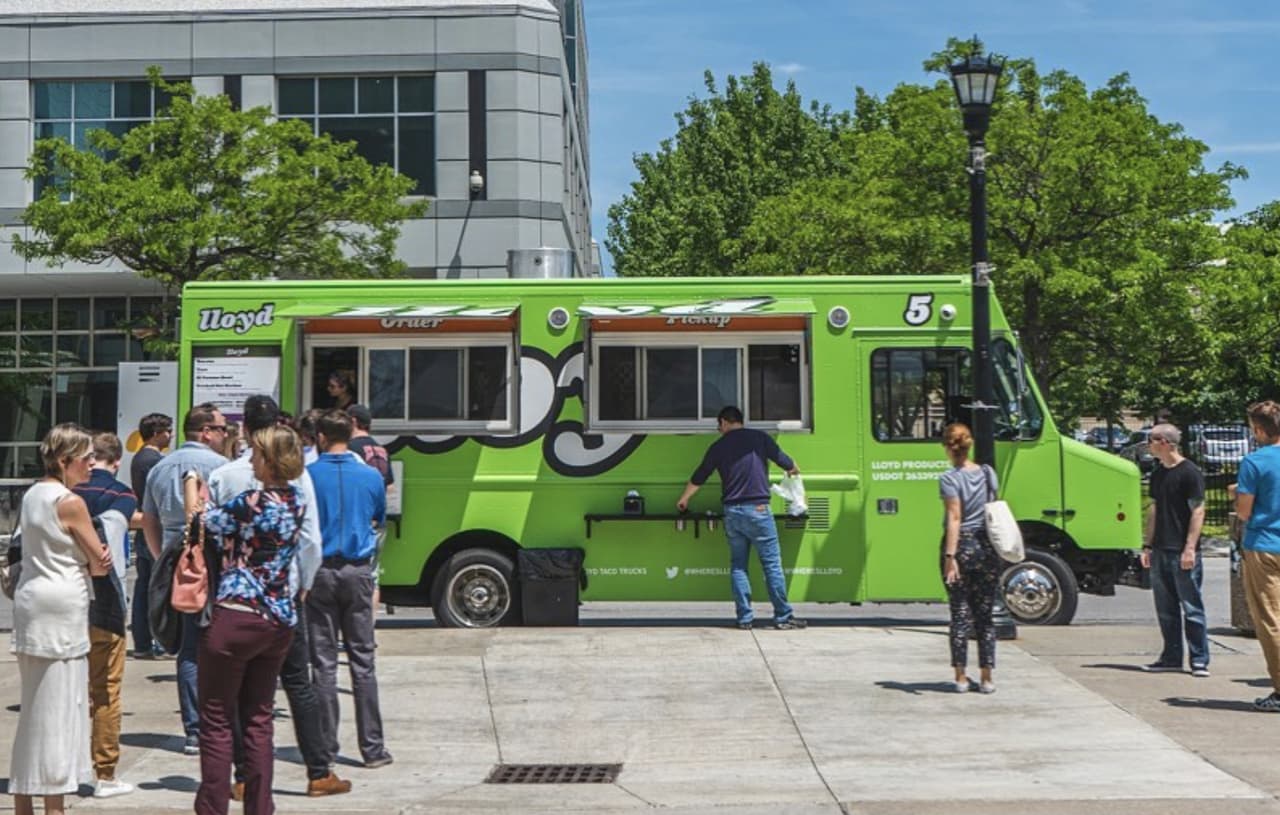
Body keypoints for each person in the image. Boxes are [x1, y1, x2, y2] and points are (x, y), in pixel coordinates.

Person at [207, 395, 350, 798]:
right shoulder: (297, 479)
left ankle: (241, 776)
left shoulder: (224, 476)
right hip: (283, 598)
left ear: (246, 430)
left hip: (235, 599)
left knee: (236, 696)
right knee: (296, 685)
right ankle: (318, 770)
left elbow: (212, 531)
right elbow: (310, 540)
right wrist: (302, 584)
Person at [193, 425, 308, 815]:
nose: (250, 459)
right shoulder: (297, 501)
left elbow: (204, 523)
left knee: (217, 720)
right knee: (259, 718)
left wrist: (196, 494)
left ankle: (212, 806)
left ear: (270, 460)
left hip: (237, 615)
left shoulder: (252, 502)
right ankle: (260, 806)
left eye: (256, 454)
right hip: (278, 617)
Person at [9, 424, 112, 815]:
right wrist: (96, 558)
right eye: (86, 458)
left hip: (33, 602)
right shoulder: (70, 502)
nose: (91, 464)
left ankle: (25, 802)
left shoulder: (33, 494)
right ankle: (53, 805)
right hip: (62, 606)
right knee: (58, 710)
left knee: (36, 708)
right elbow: (99, 562)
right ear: (65, 461)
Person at [307, 409, 393, 769]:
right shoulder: (371, 476)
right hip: (357, 571)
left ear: (321, 438)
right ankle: (372, 748)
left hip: (320, 572)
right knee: (363, 662)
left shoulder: (306, 476)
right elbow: (378, 516)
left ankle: (325, 748)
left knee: (324, 664)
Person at [140, 404, 228, 755]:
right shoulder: (221, 469)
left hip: (176, 559)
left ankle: (194, 730)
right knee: (217, 641)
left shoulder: (159, 468)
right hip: (213, 559)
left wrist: (164, 555)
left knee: (188, 645)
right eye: (222, 428)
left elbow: (148, 519)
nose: (226, 434)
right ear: (206, 431)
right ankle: (218, 723)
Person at [676, 405, 806, 630]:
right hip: (758, 510)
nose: (719, 430)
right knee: (772, 566)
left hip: (733, 512)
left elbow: (699, 476)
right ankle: (783, 617)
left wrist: (684, 499)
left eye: (719, 426)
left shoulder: (718, 446)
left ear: (725, 422)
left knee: (738, 566)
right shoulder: (760, 439)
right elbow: (787, 463)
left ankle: (745, 618)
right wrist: (794, 469)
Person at [71, 433, 139, 799]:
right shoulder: (122, 494)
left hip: (66, 601)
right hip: (106, 604)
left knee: (66, 690)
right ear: (115, 461)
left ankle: (62, 766)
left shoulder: (61, 492)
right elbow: (114, 536)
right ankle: (105, 773)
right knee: (106, 690)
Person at [1140, 422, 1209, 676]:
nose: (1149, 444)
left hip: (1182, 550)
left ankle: (1199, 659)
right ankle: (1170, 656)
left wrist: (1190, 548)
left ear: (1166, 442)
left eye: (1153, 439)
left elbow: (1198, 510)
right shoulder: (1158, 474)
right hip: (1160, 549)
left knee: (1191, 607)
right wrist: (1147, 545)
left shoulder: (1190, 472)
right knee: (1165, 608)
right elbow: (1154, 510)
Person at [938, 423, 1001, 694]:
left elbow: (954, 517)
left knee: (960, 613)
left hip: (961, 545)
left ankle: (961, 677)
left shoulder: (949, 478)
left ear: (947, 447)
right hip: (986, 546)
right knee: (985, 616)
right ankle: (987, 678)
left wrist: (950, 556)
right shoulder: (988, 474)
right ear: (970, 444)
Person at [1236, 401, 1280, 710]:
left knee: (1270, 619)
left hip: (1265, 545)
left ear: (1259, 429)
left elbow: (1243, 511)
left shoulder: (1254, 462)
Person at [129, 412, 171, 660]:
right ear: (157, 433)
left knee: (145, 585)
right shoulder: (153, 461)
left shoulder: (140, 459)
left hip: (145, 528)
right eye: (168, 431)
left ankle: (144, 641)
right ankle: (155, 640)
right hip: (154, 528)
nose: (171, 435)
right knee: (155, 587)